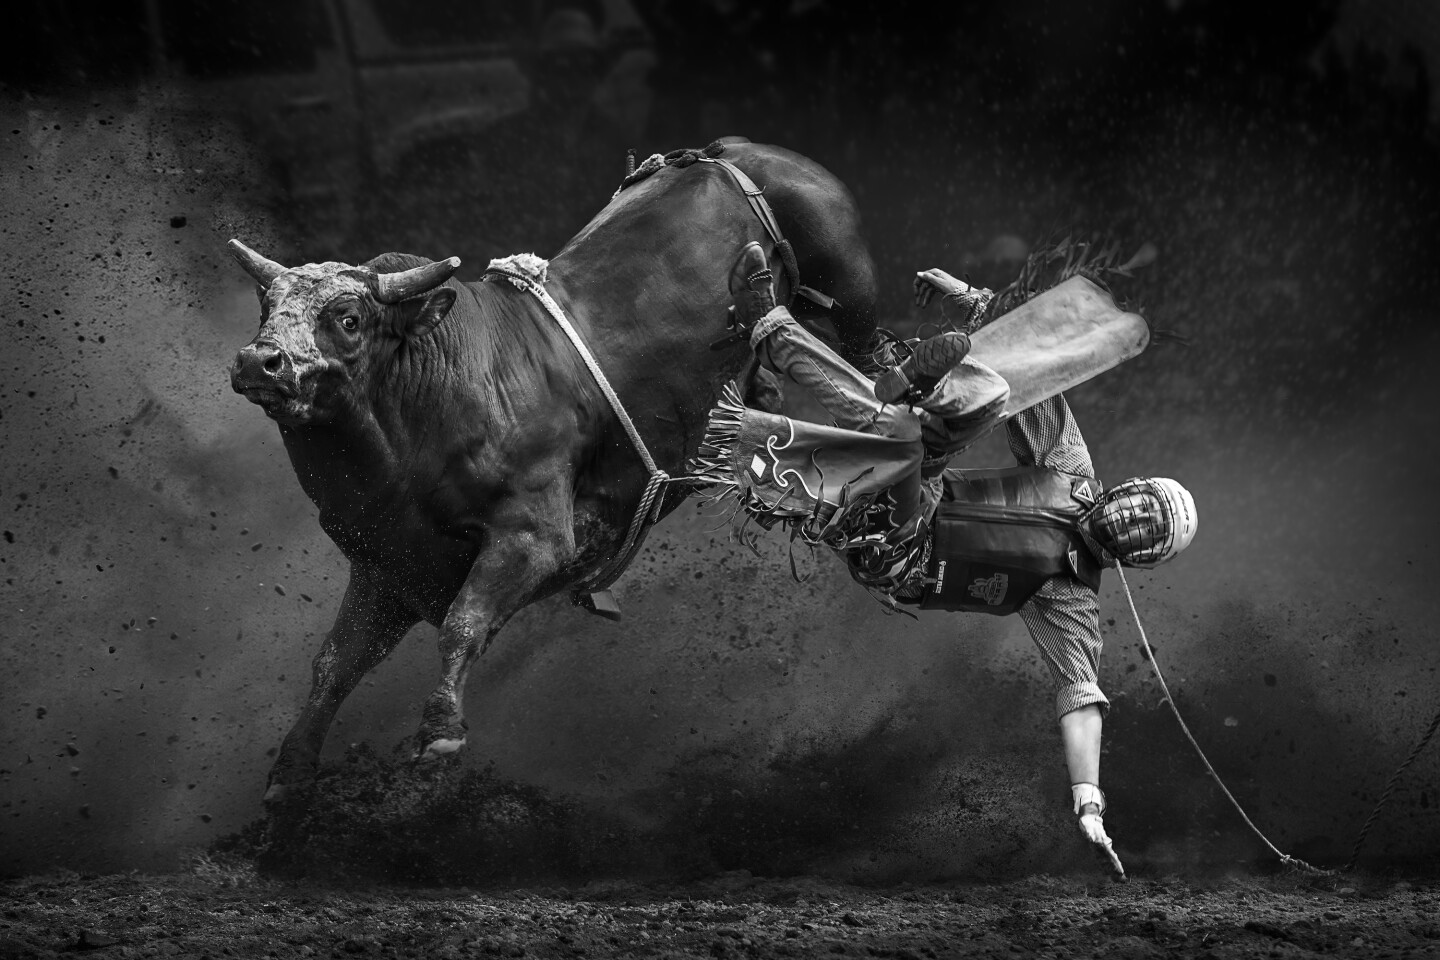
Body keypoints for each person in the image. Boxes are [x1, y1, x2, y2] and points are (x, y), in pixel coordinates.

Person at [689, 241, 1198, 873]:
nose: (1129, 518)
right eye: (1141, 504)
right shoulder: (1072, 469)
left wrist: (1089, 804)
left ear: (1138, 556)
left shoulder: (1068, 595)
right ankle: (896, 384)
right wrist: (971, 300)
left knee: (901, 433)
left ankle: (806, 344)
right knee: (982, 398)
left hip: (901, 554)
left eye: (1145, 530)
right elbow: (1039, 369)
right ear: (1131, 489)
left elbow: (1081, 693)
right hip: (924, 483)